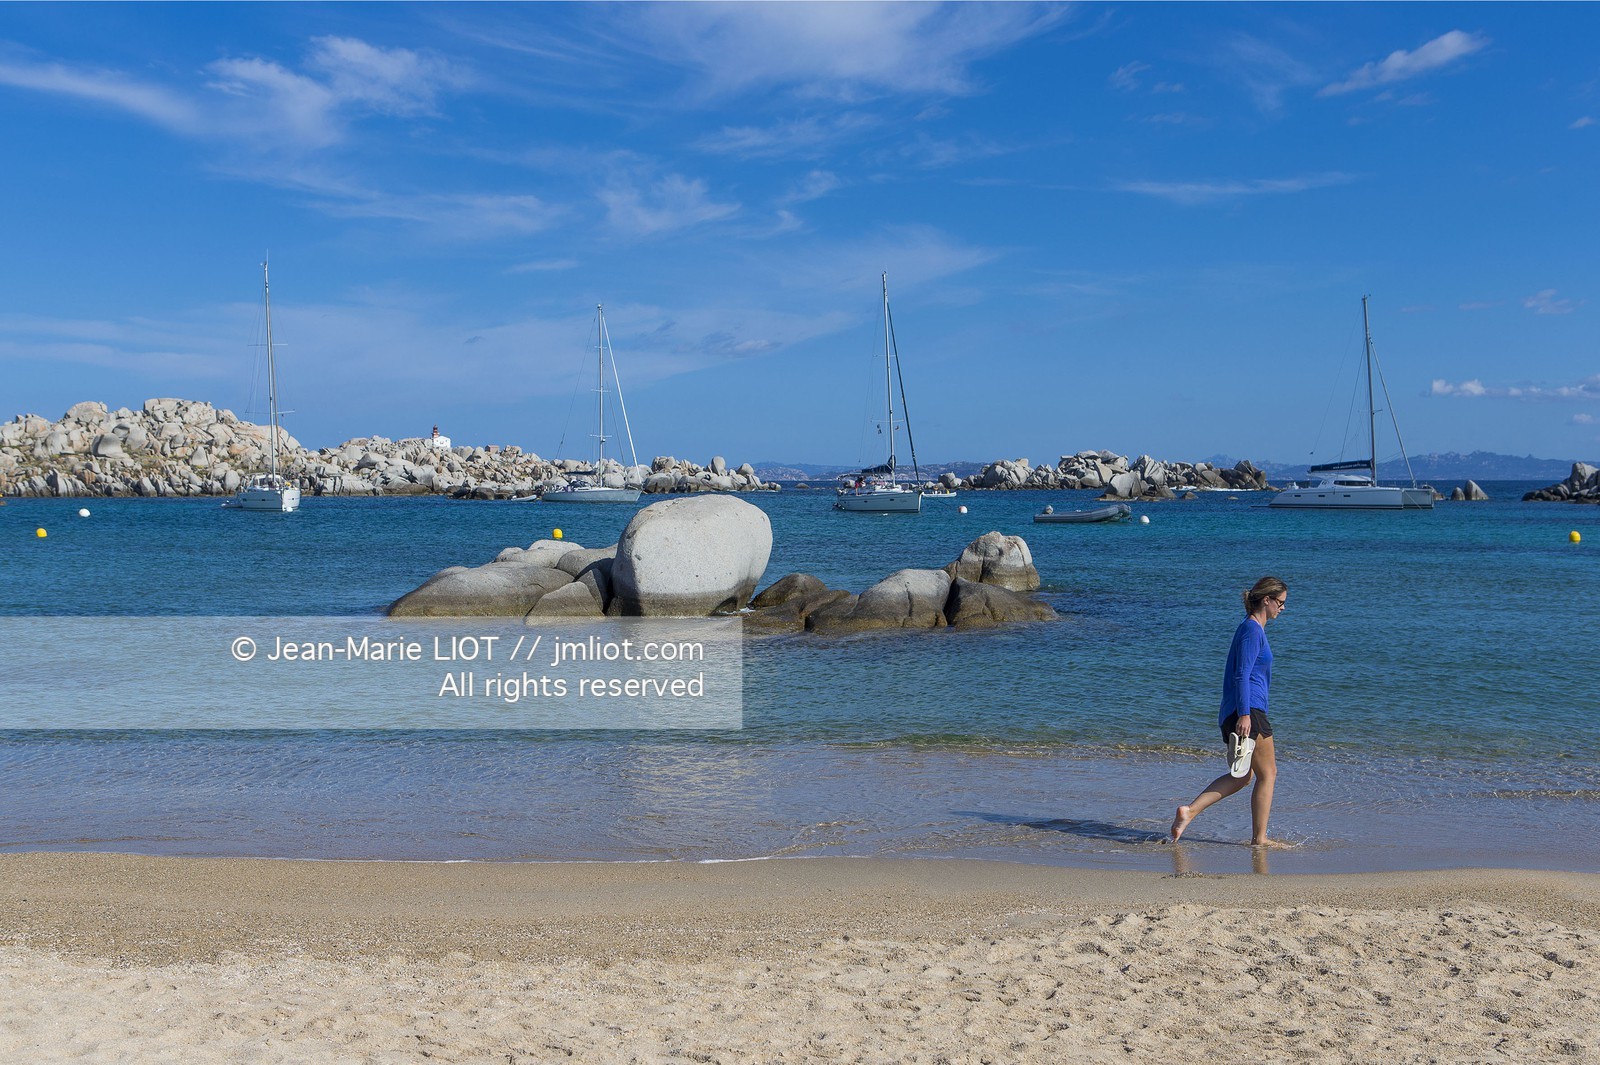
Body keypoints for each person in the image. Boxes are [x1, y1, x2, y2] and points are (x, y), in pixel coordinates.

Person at [1169, 576, 1289, 848]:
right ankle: (1259, 839)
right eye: (1280, 603)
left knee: (1243, 775)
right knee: (1268, 774)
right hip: (1248, 710)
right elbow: (1241, 675)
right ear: (1266, 600)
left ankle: (1189, 812)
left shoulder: (1251, 629)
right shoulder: (1252, 630)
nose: (1282, 608)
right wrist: (1245, 714)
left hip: (1240, 710)